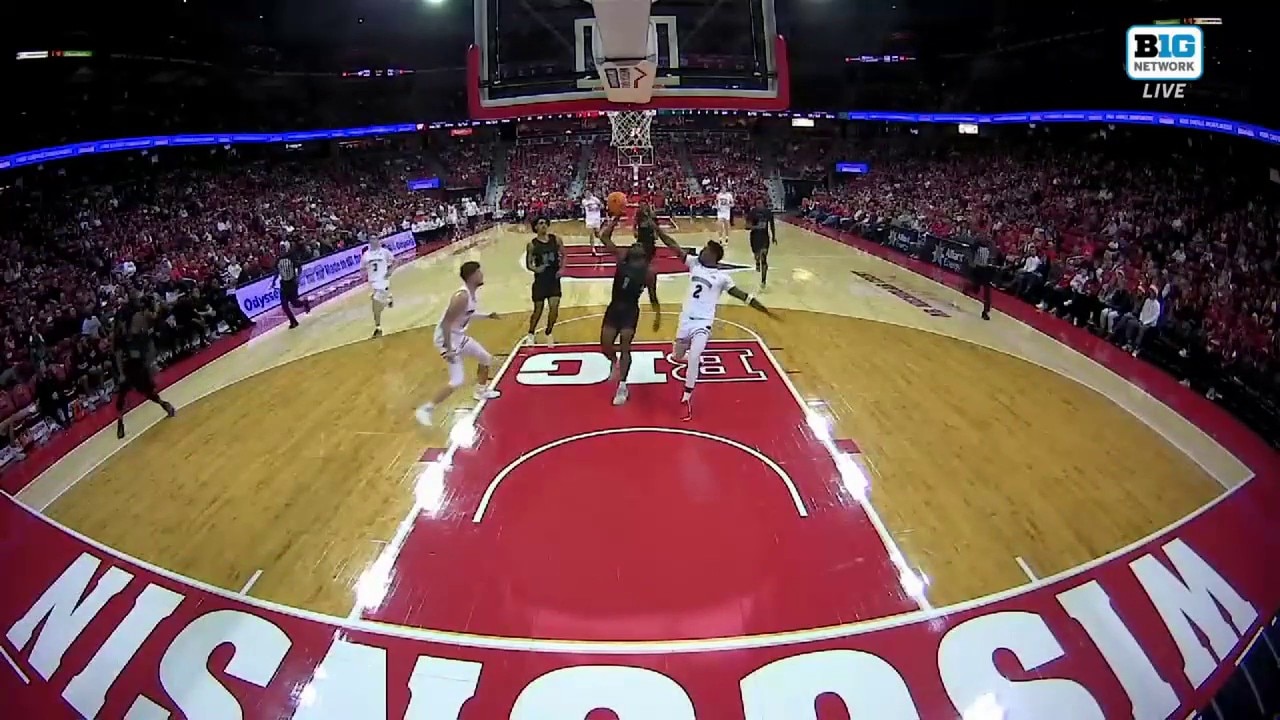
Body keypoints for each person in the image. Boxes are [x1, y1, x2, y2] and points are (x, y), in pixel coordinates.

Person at [667, 236, 772, 421]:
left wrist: (763, 308)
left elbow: (743, 296)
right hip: (685, 321)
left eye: (705, 249)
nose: (701, 251)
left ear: (713, 255)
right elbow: (673, 246)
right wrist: (655, 226)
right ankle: (687, 361)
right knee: (677, 356)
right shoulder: (694, 264)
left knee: (694, 356)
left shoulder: (723, 278)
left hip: (703, 323)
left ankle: (686, 398)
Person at [414, 261, 502, 426]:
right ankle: (426, 409)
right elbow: (446, 323)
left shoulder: (471, 294)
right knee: (457, 381)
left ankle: (480, 391)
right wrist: (448, 349)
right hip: (447, 340)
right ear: (471, 276)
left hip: (458, 337)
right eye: (479, 273)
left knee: (485, 358)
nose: (482, 275)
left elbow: (469, 314)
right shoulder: (461, 297)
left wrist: (488, 315)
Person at [596, 217, 662, 406]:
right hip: (614, 307)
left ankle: (623, 386)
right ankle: (613, 361)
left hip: (630, 311)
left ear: (644, 253)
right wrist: (616, 217)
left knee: (626, 345)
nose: (637, 244)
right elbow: (604, 236)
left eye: (640, 244)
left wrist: (658, 315)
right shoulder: (621, 259)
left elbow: (653, 297)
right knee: (605, 346)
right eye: (635, 243)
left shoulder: (649, 273)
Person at [113, 298, 177, 439]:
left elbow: (145, 348)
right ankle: (120, 422)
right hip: (126, 367)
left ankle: (163, 404)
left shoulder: (135, 334)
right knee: (121, 397)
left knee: (148, 392)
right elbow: (117, 355)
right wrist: (121, 373)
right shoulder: (119, 336)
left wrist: (147, 364)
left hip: (137, 366)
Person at [525, 217, 563, 346]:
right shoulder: (532, 245)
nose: (543, 225)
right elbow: (529, 264)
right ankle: (531, 333)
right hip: (540, 281)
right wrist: (537, 269)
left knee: (554, 309)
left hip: (554, 279)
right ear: (535, 227)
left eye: (545, 223)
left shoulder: (556, 239)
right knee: (538, 310)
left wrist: (562, 269)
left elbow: (564, 254)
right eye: (540, 223)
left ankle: (549, 332)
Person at [270, 240, 311, 329]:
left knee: (295, 303)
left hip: (292, 283)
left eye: (283, 249)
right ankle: (293, 321)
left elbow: (299, 267)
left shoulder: (291, 258)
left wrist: (298, 277)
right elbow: (277, 272)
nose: (282, 251)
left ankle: (304, 303)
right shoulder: (278, 260)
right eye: (280, 249)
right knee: (284, 305)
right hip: (283, 284)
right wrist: (273, 281)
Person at [363, 235, 396, 338]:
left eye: (375, 239)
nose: (373, 241)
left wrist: (390, 271)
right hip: (372, 282)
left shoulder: (384, 252)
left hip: (382, 281)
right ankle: (388, 300)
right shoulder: (366, 255)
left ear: (378, 240)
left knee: (375, 304)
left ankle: (378, 328)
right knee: (376, 307)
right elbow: (362, 268)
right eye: (371, 239)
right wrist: (363, 275)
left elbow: (395, 262)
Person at [745, 197, 776, 290]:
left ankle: (763, 280)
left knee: (764, 258)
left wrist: (774, 236)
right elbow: (746, 227)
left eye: (760, 203)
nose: (758, 204)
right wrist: (756, 227)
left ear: (763, 204)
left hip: (764, 238)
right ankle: (757, 262)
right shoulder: (752, 212)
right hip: (754, 237)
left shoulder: (768, 213)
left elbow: (772, 225)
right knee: (757, 255)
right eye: (757, 203)